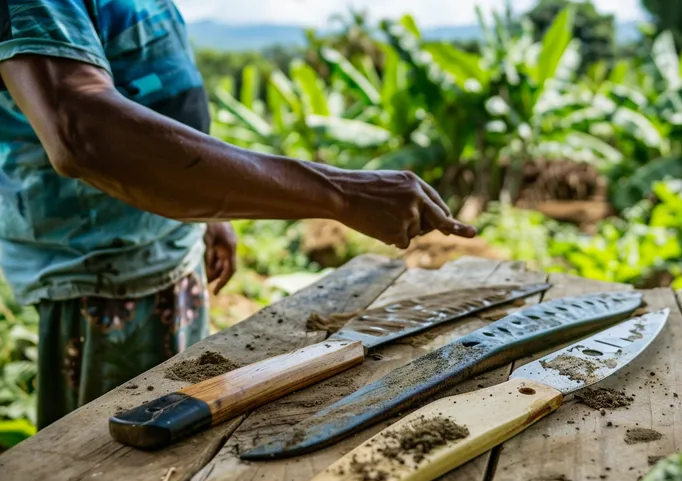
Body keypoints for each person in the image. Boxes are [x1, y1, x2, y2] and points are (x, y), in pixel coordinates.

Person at [0, 0, 475, 430]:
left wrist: (206, 210)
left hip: (164, 252)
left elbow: (149, 92)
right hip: (101, 284)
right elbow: (81, 129)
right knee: (110, 466)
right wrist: (342, 193)